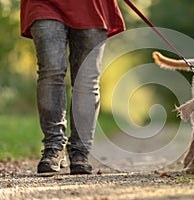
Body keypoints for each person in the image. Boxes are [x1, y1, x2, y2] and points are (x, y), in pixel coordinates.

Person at [20, 0, 125, 174]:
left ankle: (80, 151)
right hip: (43, 4)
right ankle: (53, 147)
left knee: (86, 80)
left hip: (92, 7)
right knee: (50, 71)